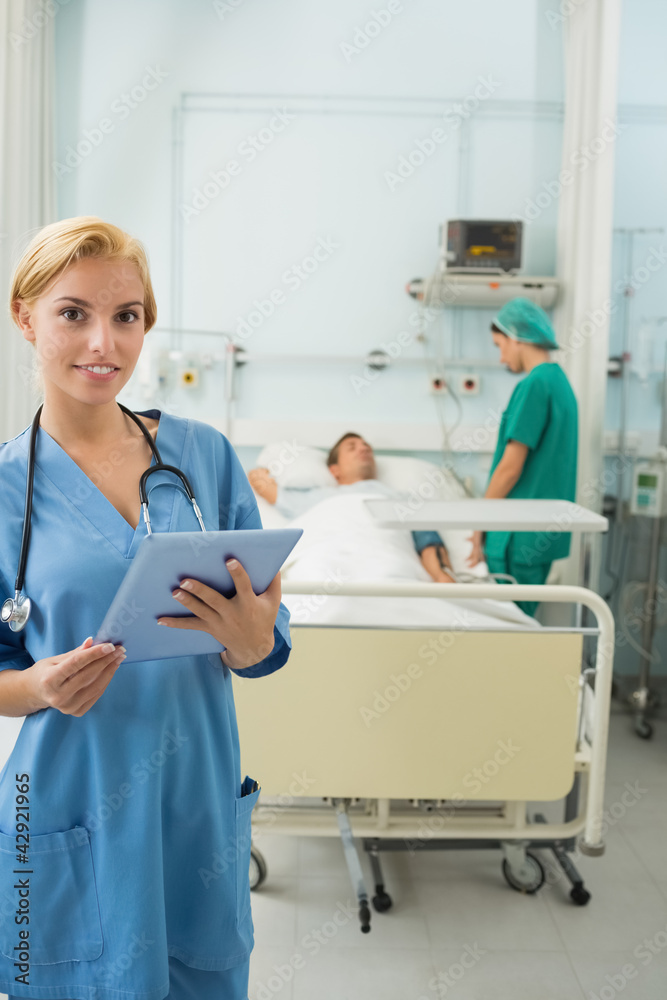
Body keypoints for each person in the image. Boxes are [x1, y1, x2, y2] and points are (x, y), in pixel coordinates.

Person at [0, 217, 291, 1000]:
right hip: (66, 797)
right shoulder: (2, 491)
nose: (104, 341)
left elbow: (266, 645)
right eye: (73, 313)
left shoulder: (204, 458)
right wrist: (37, 688)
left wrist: (249, 640)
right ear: (24, 318)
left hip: (193, 793)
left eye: (126, 316)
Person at [467, 297, 578, 616]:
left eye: (499, 345)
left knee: (511, 633)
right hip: (538, 534)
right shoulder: (559, 383)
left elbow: (509, 469)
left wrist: (478, 526)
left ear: (517, 337)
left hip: (517, 534)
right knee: (521, 626)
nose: (501, 357)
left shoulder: (535, 385)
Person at [249, 432, 457, 583]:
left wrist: (442, 577)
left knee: (392, 573)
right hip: (325, 561)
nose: (364, 448)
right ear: (334, 470)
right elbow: (260, 481)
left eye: (366, 446)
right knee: (315, 571)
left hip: (388, 561)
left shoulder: (402, 499)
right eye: (352, 447)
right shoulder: (317, 498)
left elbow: (428, 541)